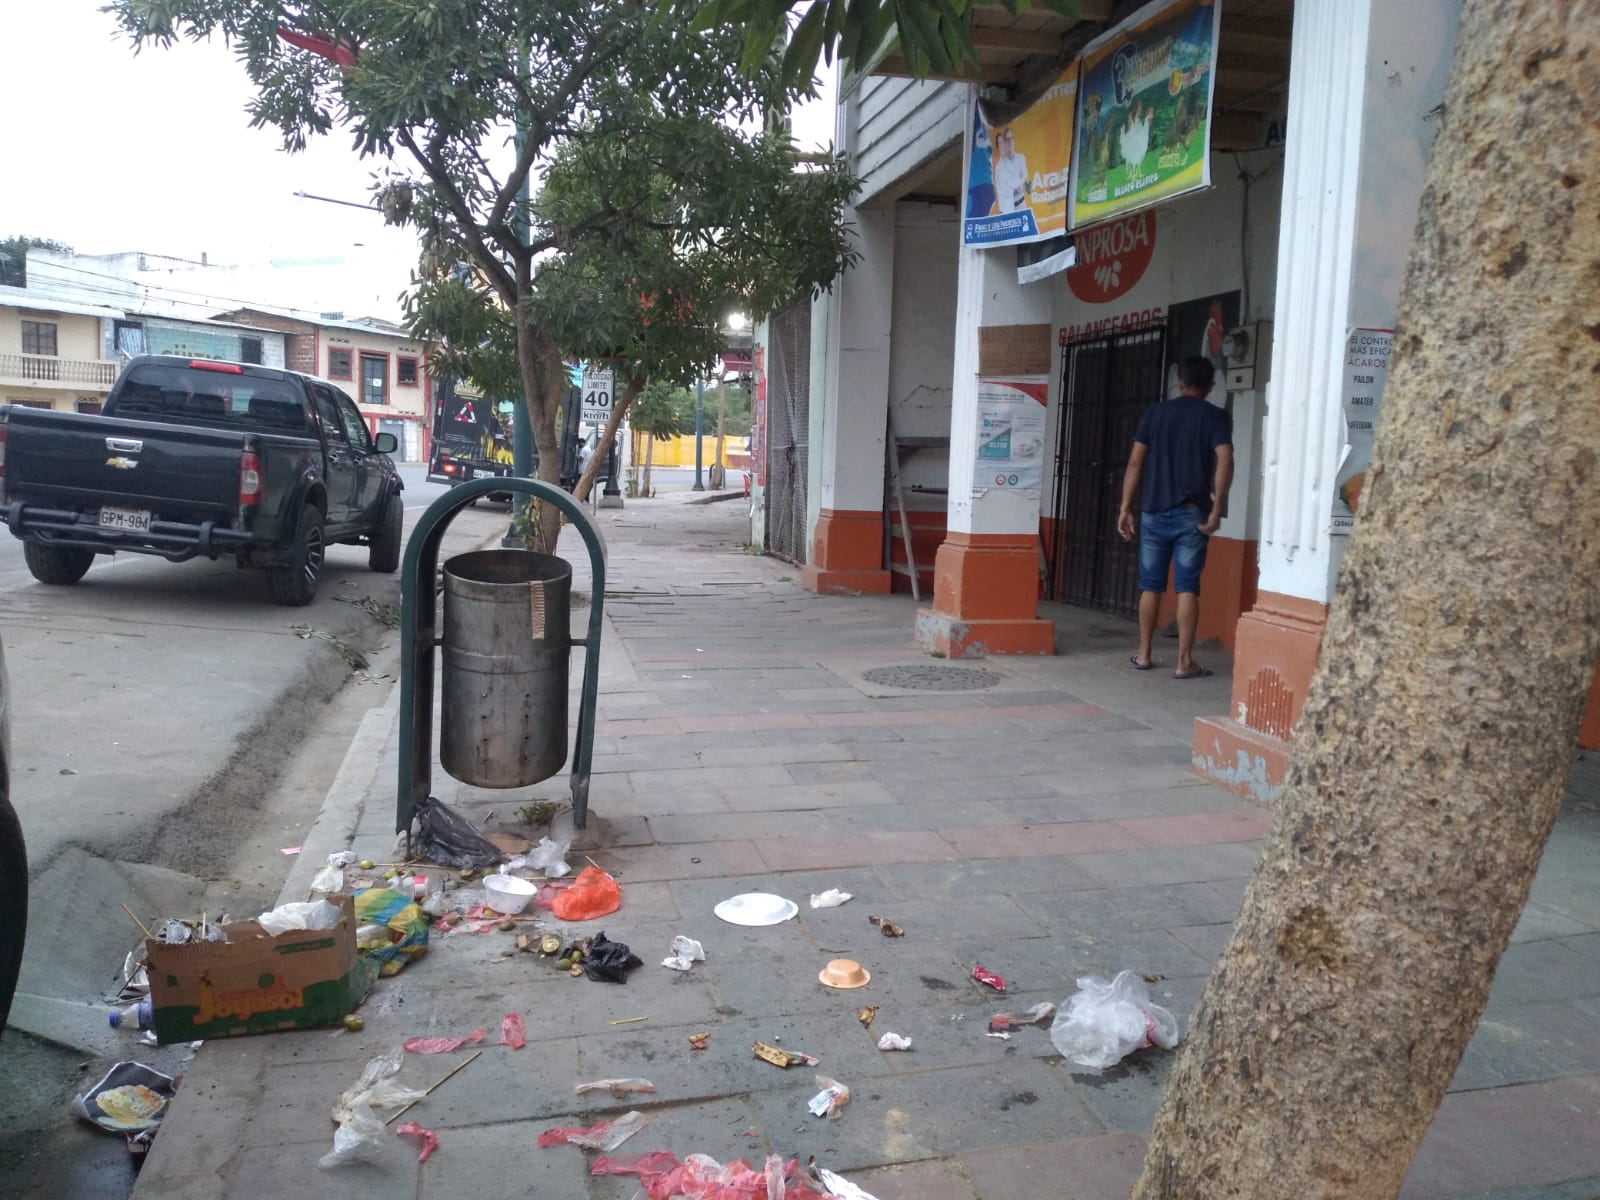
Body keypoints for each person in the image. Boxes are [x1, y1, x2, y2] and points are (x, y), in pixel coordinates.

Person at [1117, 356, 1234, 678]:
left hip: (1153, 511)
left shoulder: (1155, 414)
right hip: (1192, 514)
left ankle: (1143, 654)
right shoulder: (1215, 417)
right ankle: (1184, 662)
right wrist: (1217, 509)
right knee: (1187, 587)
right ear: (1210, 386)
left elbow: (1135, 463)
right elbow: (1225, 460)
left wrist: (1125, 507)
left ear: (1179, 382)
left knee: (1150, 585)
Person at [991, 127, 1029, 213]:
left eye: (1003, 142)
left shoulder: (1011, 161)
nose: (1002, 145)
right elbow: (1014, 184)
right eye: (999, 143)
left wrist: (1018, 179)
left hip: (1020, 204)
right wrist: (1018, 179)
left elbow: (1024, 175)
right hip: (1008, 209)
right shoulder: (999, 167)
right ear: (997, 146)